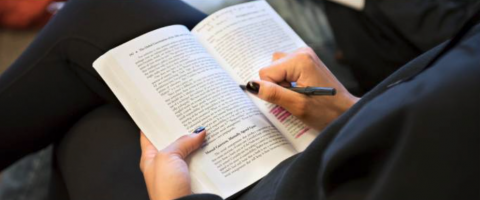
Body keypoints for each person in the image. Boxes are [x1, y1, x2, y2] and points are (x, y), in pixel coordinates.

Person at [0, 0, 478, 200]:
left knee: (97, 127)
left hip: (297, 180)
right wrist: (346, 109)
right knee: (110, 15)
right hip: (342, 144)